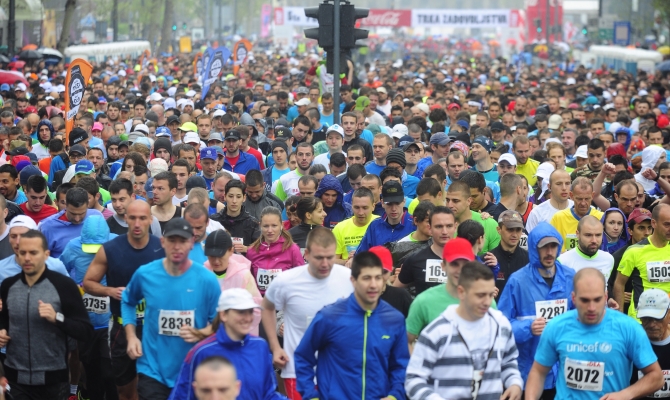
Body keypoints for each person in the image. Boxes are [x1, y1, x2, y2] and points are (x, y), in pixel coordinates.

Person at [525, 268, 664, 400]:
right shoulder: (557, 326)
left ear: (606, 296)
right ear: (574, 298)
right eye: (585, 300)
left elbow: (656, 377)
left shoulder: (628, 328)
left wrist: (626, 394)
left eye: (597, 300)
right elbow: (538, 372)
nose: (591, 308)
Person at [121, 218, 221, 398]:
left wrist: (202, 333)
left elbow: (220, 322)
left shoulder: (207, 280)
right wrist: (131, 336)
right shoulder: (145, 274)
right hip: (152, 370)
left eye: (182, 241)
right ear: (162, 242)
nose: (176, 247)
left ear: (192, 242)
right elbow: (128, 301)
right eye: (171, 240)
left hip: (193, 371)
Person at [294, 251, 409, 400]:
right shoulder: (329, 316)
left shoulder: (394, 319)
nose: (373, 285)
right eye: (366, 278)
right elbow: (303, 356)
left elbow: (401, 365)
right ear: (353, 280)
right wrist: (311, 396)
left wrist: (394, 396)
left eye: (378, 278)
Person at [83, 200, 166, 400]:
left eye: (142, 218)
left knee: (154, 390)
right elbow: (88, 283)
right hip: (121, 328)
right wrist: (110, 291)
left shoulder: (162, 248)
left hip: (155, 328)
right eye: (133, 218)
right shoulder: (110, 249)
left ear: (150, 220)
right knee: (125, 391)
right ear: (126, 218)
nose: (137, 224)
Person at [405, 261, 523, 400]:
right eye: (480, 295)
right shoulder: (437, 331)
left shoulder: (501, 325)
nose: (487, 302)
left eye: (491, 295)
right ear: (462, 292)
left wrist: (514, 383)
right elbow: (413, 380)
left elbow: (508, 362)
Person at [261, 228, 353, 400]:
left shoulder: (349, 278)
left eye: (330, 257)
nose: (325, 263)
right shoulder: (287, 281)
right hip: (298, 372)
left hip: (339, 370)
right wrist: (275, 347)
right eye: (319, 258)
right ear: (307, 254)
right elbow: (266, 307)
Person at [0, 229, 93, 399]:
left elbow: (85, 331)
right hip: (16, 378)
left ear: (46, 255)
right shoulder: (8, 286)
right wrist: (2, 332)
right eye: (23, 253)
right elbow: (5, 322)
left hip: (53, 380)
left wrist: (57, 318)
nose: (27, 258)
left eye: (33, 253)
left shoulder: (64, 286)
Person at [498, 222, 575, 399]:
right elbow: (501, 326)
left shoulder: (571, 276)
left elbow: (582, 317)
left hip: (563, 374)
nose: (549, 252)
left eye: (553, 246)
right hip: (528, 372)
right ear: (534, 248)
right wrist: (528, 327)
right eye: (544, 247)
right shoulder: (517, 281)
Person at [169, 289, 284, 400]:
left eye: (250, 311)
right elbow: (182, 395)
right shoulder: (201, 352)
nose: (248, 318)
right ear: (223, 315)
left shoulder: (260, 346)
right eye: (241, 312)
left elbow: (268, 394)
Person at [59, 215, 117, 400]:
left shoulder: (117, 244)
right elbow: (60, 270)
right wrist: (73, 288)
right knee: (90, 369)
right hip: (85, 321)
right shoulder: (73, 246)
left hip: (109, 320)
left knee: (109, 371)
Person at [614, 204, 670, 317]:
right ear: (654, 223)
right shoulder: (634, 251)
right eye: (666, 224)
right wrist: (620, 316)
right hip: (640, 318)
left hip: (667, 319)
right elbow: (619, 284)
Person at [246, 207, 304, 295]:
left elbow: (301, 279)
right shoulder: (252, 251)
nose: (270, 230)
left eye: (274, 226)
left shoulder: (292, 249)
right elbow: (248, 282)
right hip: (259, 300)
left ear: (281, 225)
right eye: (266, 226)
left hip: (283, 300)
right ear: (260, 226)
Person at [0, 215, 70, 284]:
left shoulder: (56, 266)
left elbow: (69, 289)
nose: (18, 242)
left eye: (24, 236)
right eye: (13, 236)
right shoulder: (1, 269)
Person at [39, 186, 103, 258]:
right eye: (73, 214)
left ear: (88, 204)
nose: (77, 219)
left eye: (81, 214)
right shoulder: (48, 227)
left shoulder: (96, 217)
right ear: (66, 205)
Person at [630, 289, 670, 400]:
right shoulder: (630, 342)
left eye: (657, 318)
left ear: (669, 315)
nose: (652, 324)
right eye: (646, 318)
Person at [356, 181, 414, 252]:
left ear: (404, 202)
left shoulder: (415, 224)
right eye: (389, 204)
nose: (393, 209)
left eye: (397, 203)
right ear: (382, 203)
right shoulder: (374, 226)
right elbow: (361, 254)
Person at [445, 180, 501, 254]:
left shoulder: (489, 224)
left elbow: (496, 258)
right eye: (447, 200)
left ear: (469, 201)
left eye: (455, 201)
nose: (450, 205)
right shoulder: (441, 225)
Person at [549, 177, 604, 253]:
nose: (583, 203)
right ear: (571, 196)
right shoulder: (558, 218)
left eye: (587, 199)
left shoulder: (602, 217)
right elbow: (550, 247)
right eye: (579, 199)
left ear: (592, 195)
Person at [558, 216, 615, 284]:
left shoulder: (609, 259)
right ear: (577, 234)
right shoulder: (563, 261)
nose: (594, 240)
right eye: (588, 235)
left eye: (598, 235)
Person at [210, 180, 261, 254]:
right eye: (231, 196)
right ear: (225, 196)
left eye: (238, 197)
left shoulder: (253, 224)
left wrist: (247, 249)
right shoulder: (214, 220)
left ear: (244, 198)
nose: (234, 201)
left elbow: (260, 250)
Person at [333, 188, 378, 264]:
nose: (360, 212)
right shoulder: (340, 228)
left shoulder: (381, 224)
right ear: (351, 206)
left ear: (373, 206)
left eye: (365, 208)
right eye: (357, 207)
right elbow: (332, 260)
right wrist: (349, 261)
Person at [369, 246, 413, 317]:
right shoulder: (357, 298)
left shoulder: (401, 296)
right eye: (374, 270)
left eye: (384, 271)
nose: (379, 276)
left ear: (391, 270)